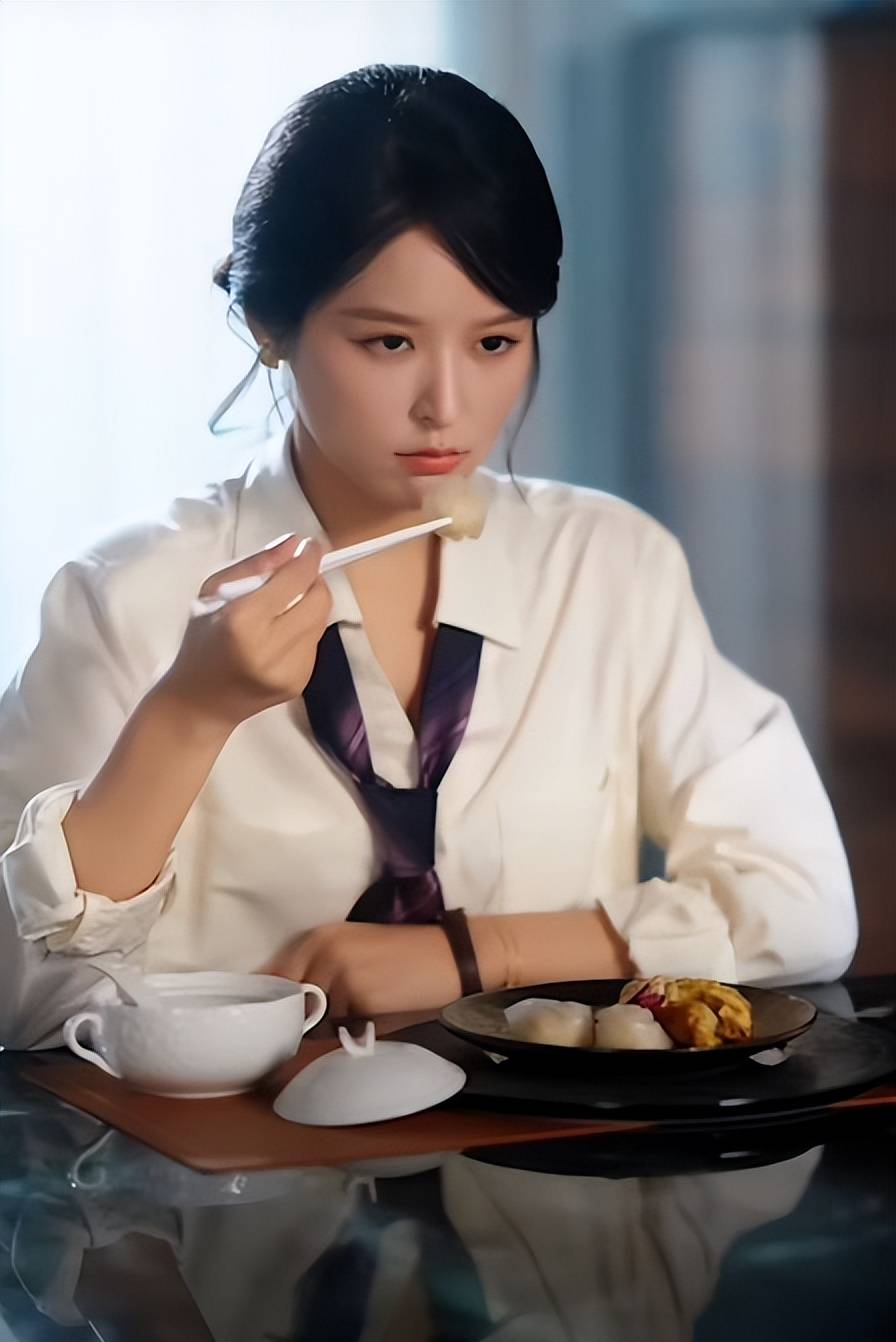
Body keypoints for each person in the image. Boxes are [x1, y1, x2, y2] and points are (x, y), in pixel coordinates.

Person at [0, 64, 857, 1050]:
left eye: (494, 343)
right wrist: (188, 714)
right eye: (389, 343)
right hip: (232, 1149)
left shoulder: (606, 565)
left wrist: (477, 953)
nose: (446, 408)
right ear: (269, 327)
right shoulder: (126, 597)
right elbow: (28, 1008)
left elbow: (804, 905)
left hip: (552, 1144)